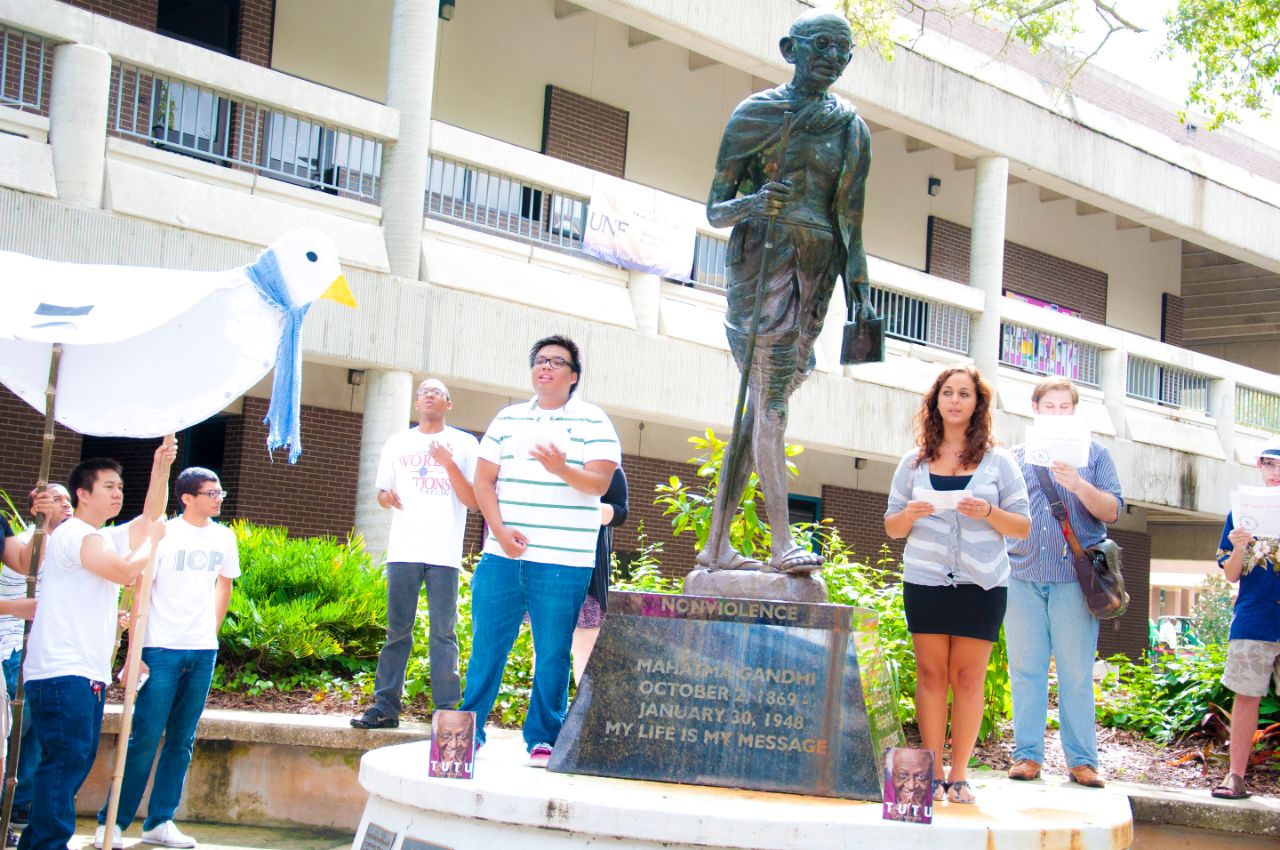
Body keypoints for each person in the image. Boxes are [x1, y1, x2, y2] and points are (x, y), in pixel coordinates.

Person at [698, 8, 874, 573]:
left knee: (759, 412)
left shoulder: (851, 128)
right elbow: (716, 207)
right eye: (820, 44)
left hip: (817, 270)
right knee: (769, 404)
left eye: (842, 50)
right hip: (763, 261)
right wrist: (752, 202)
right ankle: (782, 545)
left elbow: (850, 218)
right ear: (789, 48)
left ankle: (716, 546)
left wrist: (862, 289)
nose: (831, 57)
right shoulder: (755, 114)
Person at [459, 335, 620, 766]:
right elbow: (483, 482)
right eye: (539, 361)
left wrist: (560, 468)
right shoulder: (508, 418)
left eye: (556, 362)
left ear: (573, 375)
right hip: (502, 556)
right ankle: (466, 734)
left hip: (563, 561)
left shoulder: (594, 422)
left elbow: (599, 484)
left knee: (552, 651)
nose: (545, 367)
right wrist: (499, 529)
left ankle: (544, 738)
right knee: (487, 647)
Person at [884, 365, 1030, 804]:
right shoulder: (913, 461)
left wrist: (988, 512)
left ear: (977, 404)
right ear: (935, 402)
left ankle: (960, 775)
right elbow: (892, 526)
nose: (954, 400)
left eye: (964, 394)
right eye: (947, 393)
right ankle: (931, 772)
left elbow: (1022, 526)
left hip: (982, 584)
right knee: (930, 674)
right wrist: (910, 514)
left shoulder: (1000, 461)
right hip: (926, 580)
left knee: (968, 678)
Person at [18, 444, 174, 850]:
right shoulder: (76, 535)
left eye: (120, 486)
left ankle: (38, 843)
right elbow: (126, 571)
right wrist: (151, 542)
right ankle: (46, 845)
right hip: (62, 671)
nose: (117, 493)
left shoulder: (101, 536)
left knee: (69, 764)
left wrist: (161, 469)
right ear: (82, 494)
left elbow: (147, 520)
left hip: (83, 673)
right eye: (108, 486)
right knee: (64, 764)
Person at [93, 467, 241, 849]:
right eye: (211, 493)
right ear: (187, 498)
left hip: (201, 650)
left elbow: (224, 583)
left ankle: (160, 821)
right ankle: (112, 823)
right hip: (159, 649)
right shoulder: (163, 534)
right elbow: (141, 590)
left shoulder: (225, 537)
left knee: (182, 740)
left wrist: (212, 629)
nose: (218, 497)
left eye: (219, 492)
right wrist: (135, 650)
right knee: (143, 736)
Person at [1005, 377, 1122, 789]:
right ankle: (1027, 756)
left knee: (1076, 672)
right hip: (1021, 575)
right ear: (1035, 409)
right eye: (1049, 406)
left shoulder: (1095, 454)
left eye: (1064, 407)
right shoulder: (1015, 456)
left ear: (1074, 411)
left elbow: (1112, 510)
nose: (1057, 413)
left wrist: (1079, 485)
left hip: (1075, 579)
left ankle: (1082, 761)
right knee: (1025, 670)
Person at [351, 378, 479, 730]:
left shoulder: (465, 444)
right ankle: (385, 707)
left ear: (448, 404)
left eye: (436, 392)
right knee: (397, 631)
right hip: (404, 549)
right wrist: (385, 498)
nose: (428, 396)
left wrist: (447, 463)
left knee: (443, 633)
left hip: (444, 553)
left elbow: (472, 500)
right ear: (416, 401)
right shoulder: (398, 442)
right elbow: (381, 493)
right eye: (423, 392)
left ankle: (446, 711)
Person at [1209, 434, 1280, 800]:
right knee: (1246, 695)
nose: (1275, 472)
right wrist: (1239, 546)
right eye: (1269, 463)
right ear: (1259, 466)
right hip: (1255, 617)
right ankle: (1235, 777)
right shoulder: (1241, 511)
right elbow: (1232, 573)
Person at [0, 485, 70, 829]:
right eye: (57, 499)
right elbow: (28, 563)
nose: (66, 504)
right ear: (35, 507)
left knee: (35, 731)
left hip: (49, 650)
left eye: (67, 499)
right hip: (13, 646)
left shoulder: (77, 543)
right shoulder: (32, 540)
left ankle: (18, 805)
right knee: (12, 730)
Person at [571, 466, 628, 684]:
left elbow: (620, 512)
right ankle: (543, 718)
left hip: (588, 571)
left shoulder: (608, 466)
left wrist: (587, 508)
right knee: (544, 648)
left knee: (586, 647)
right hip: (546, 567)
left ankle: (585, 715)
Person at [885, 747, 933, 823]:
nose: (911, 787)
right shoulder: (882, 795)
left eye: (921, 777)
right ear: (892, 775)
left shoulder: (936, 795)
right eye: (902, 776)